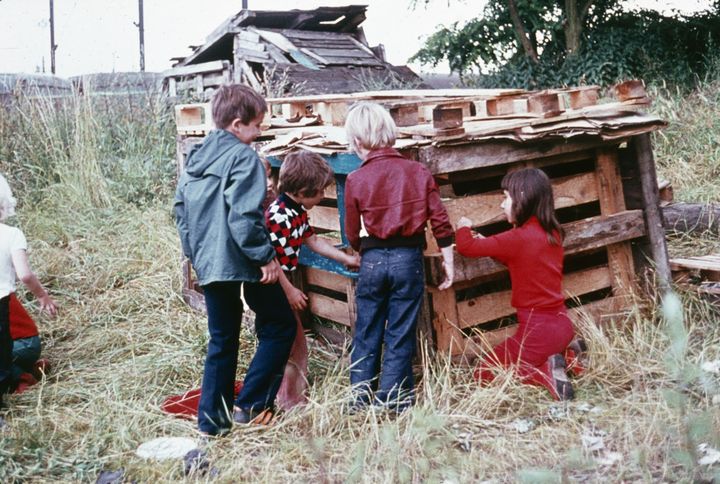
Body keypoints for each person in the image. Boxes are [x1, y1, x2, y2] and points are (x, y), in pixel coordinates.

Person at [174, 84, 296, 435]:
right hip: (242, 258)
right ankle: (254, 404)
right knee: (280, 324)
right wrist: (265, 258)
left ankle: (212, 422)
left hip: (210, 262)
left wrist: (195, 253)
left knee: (222, 339)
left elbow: (180, 211)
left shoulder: (196, 158)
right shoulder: (244, 158)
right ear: (238, 124)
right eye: (257, 125)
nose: (259, 133)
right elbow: (244, 217)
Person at [343, 102, 455, 412]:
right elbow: (440, 220)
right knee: (400, 330)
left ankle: (360, 396)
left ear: (357, 141)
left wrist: (361, 249)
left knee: (367, 329)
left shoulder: (355, 179)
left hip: (373, 260)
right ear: (390, 134)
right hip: (408, 259)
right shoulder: (417, 171)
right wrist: (448, 260)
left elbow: (352, 232)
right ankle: (392, 398)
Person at [455, 167, 575, 401]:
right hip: (562, 325)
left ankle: (544, 374)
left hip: (538, 332)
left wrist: (463, 227)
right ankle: (570, 359)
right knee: (514, 359)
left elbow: (466, 248)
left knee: (484, 372)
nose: (502, 205)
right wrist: (491, 245)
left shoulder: (517, 238)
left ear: (522, 198)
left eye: (506, 197)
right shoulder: (552, 233)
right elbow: (519, 259)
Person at [265, 150, 360, 410]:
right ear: (303, 190)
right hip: (273, 286)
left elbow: (313, 240)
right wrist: (290, 291)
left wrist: (346, 259)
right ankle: (289, 401)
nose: (322, 197)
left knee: (294, 341)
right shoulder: (280, 216)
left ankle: (289, 396)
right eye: (319, 192)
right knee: (292, 343)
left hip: (281, 282)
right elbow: (273, 262)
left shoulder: (295, 211)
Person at [0, 173, 57, 410]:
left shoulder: (12, 234)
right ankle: (26, 370)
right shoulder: (11, 234)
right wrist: (42, 295)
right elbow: (25, 275)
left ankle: (21, 377)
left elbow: (24, 275)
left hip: (19, 339)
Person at [10, 293, 51, 393]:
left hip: (23, 345)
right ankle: (32, 370)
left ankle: (24, 379)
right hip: (29, 344)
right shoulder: (3, 288)